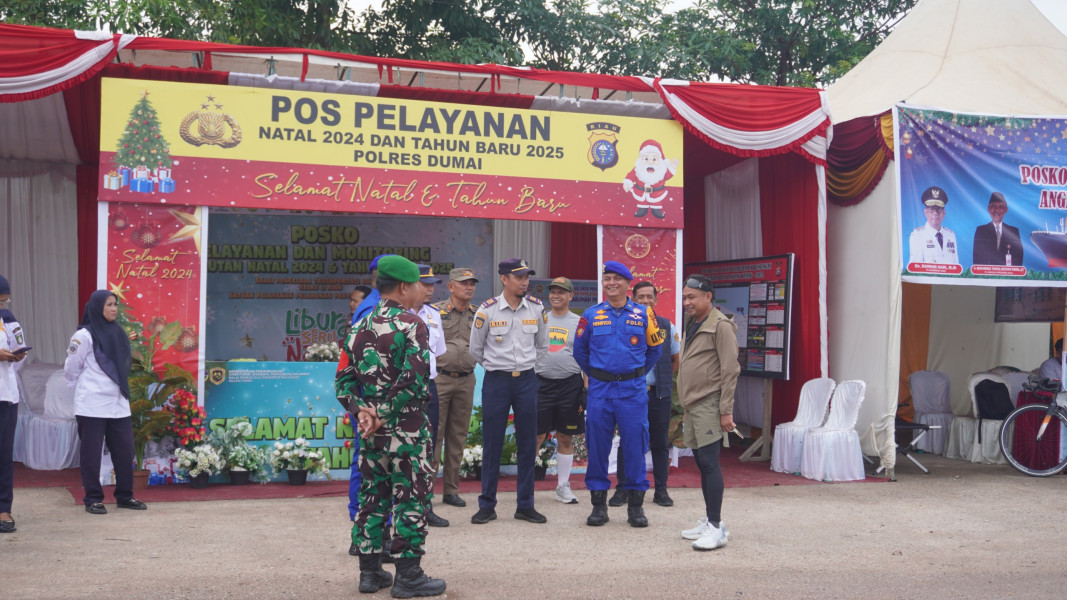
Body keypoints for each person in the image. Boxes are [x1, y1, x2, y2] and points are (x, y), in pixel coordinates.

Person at [335, 255, 446, 597]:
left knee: (372, 499)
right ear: (402, 287)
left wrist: (362, 413)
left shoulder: (359, 326)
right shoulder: (413, 324)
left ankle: (370, 574)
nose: (419, 290)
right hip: (408, 429)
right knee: (411, 499)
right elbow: (415, 381)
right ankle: (409, 577)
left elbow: (342, 382)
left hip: (372, 434)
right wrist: (383, 413)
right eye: (416, 285)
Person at [574, 261, 664, 528]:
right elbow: (580, 351)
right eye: (607, 279)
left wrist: (635, 373)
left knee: (635, 446)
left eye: (616, 279)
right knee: (597, 447)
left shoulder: (644, 314)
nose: (611, 283)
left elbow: (655, 350)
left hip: (632, 392)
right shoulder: (590, 315)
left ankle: (635, 507)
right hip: (600, 391)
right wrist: (599, 374)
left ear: (627, 284)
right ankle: (598, 507)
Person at [468, 258, 549, 525]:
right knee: (492, 442)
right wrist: (497, 367)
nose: (525, 282)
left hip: (526, 380)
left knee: (528, 443)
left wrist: (524, 366)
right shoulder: (487, 310)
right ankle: (487, 505)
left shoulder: (536, 308)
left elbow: (542, 345)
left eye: (527, 277)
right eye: (519, 277)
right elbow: (476, 350)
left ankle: (525, 505)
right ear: (504, 279)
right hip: (497, 381)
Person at [64, 290, 148, 515]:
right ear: (97, 307)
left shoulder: (118, 332)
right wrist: (82, 390)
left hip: (118, 403)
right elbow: (71, 367)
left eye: (115, 304)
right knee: (91, 454)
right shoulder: (84, 335)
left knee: (125, 451)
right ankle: (93, 499)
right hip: (92, 404)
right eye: (109, 304)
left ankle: (125, 496)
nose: (114, 309)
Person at [677, 274, 740, 551]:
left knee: (710, 463)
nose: (686, 302)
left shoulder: (721, 326)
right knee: (702, 462)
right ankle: (710, 521)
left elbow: (730, 370)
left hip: (709, 403)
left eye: (691, 297)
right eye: (684, 297)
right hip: (693, 405)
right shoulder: (692, 322)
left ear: (708, 297)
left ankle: (716, 528)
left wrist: (725, 410)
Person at [611, 281, 680, 508]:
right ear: (633, 299)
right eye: (641, 297)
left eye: (650, 297)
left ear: (656, 300)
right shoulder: (625, 324)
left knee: (660, 443)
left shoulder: (667, 326)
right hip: (631, 394)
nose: (645, 301)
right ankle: (623, 489)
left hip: (658, 395)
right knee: (628, 442)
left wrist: (661, 379)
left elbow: (675, 360)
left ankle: (661, 490)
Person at [346, 255, 392, 556]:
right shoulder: (371, 308)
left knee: (383, 466)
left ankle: (378, 532)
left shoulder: (386, 307)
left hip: (380, 402)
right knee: (367, 465)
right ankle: (362, 533)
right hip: (371, 402)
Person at [534, 277, 586, 505]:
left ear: (570, 296)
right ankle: (525, 489)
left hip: (570, 386)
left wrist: (586, 389)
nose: (556, 296)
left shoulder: (579, 322)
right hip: (540, 384)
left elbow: (587, 357)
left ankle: (563, 486)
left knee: (565, 436)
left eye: (561, 292)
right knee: (536, 436)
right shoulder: (540, 319)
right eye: (553, 292)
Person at [430, 268, 479, 509]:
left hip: (466, 379)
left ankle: (451, 490)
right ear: (451, 286)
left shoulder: (478, 314)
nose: (469, 287)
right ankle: (426, 491)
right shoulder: (435, 312)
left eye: (472, 283)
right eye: (464, 283)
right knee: (434, 435)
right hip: (440, 378)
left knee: (458, 436)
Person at [413, 264, 449, 528]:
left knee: (429, 446)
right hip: (401, 388)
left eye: (432, 285)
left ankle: (426, 507)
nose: (430, 290)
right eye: (424, 285)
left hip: (429, 386)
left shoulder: (434, 315)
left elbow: (439, 352)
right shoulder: (395, 315)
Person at [0, 275, 28, 533]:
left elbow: (20, 352)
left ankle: (3, 508)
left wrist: (12, 358)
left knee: (3, 455)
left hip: (5, 396)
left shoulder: (8, 320)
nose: (2, 306)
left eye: (4, 301)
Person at [908, 186, 959, 265]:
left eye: (939, 210)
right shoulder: (917, 235)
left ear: (944, 213)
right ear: (925, 212)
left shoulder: (951, 235)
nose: (935, 213)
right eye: (931, 210)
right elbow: (915, 267)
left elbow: (955, 265)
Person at [972, 192, 1023, 266]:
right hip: (987, 272)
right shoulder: (981, 231)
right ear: (988, 209)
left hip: (1008, 273)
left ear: (1006, 210)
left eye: (1001, 207)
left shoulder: (1013, 232)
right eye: (993, 206)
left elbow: (1018, 258)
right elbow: (977, 259)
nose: (996, 210)